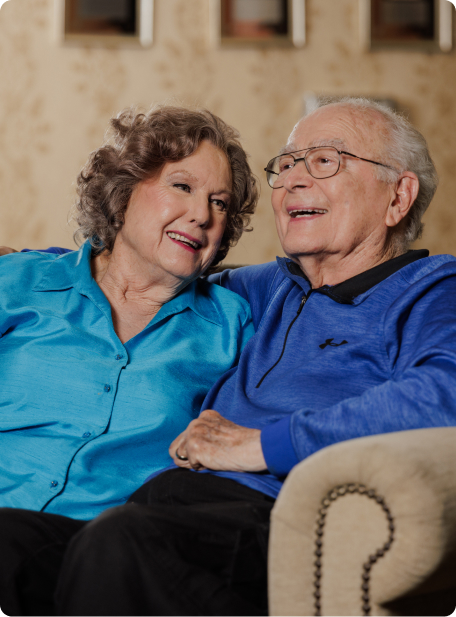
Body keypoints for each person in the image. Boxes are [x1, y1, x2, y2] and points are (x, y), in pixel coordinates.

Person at [4, 97, 456, 616]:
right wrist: (33, 270)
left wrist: (266, 445)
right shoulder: (265, 289)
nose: (292, 181)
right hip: (164, 509)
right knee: (10, 542)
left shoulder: (432, 289)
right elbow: (142, 268)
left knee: (120, 543)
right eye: (286, 164)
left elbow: (444, 396)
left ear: (398, 196)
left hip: (272, 513)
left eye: (325, 160)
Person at [0, 105, 258, 615]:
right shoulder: (18, 284)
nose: (202, 215)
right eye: (182, 187)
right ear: (124, 190)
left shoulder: (233, 328)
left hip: (104, 556)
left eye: (220, 203)